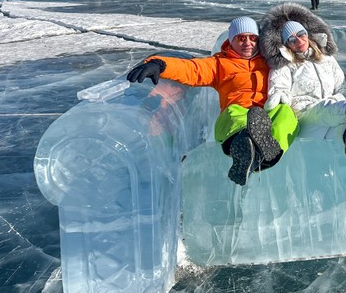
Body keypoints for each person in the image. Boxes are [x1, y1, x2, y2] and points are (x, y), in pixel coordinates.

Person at [126, 16, 299, 186]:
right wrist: (160, 64)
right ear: (231, 41)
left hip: (267, 113)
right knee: (233, 113)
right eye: (241, 38)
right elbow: (192, 69)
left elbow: (300, 47)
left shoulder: (269, 59)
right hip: (239, 114)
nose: (247, 43)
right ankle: (244, 142)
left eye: (252, 38)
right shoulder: (219, 63)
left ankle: (267, 151)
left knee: (286, 113)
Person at [259, 3, 346, 157]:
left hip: (327, 118)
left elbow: (342, 85)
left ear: (307, 35)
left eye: (301, 34)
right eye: (291, 39)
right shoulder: (285, 64)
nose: (298, 40)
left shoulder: (326, 59)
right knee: (328, 108)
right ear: (286, 45)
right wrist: (279, 95)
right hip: (304, 114)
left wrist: (338, 97)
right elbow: (278, 85)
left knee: (340, 128)